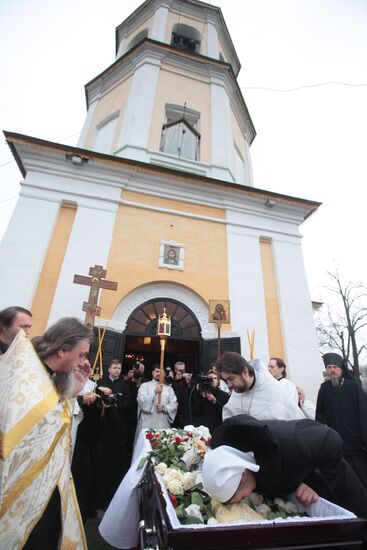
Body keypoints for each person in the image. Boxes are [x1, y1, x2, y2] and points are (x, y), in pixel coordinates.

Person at [0, 317, 93, 549]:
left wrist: (73, 393)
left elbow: (59, 429)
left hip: (49, 484)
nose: (84, 362)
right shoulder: (28, 376)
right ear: (62, 350)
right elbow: (36, 426)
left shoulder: (53, 376)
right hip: (22, 490)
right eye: (81, 354)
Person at [203, 414, 367, 518]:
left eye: (240, 497)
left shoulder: (292, 443)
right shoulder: (246, 458)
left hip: (336, 482)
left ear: (244, 474)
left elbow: (332, 439)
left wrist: (314, 485)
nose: (243, 499)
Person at [316, 351, 367, 490]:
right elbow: (320, 414)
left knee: (362, 479)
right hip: (336, 444)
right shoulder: (324, 388)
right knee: (344, 482)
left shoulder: (353, 386)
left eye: (335, 367)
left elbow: (363, 413)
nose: (332, 370)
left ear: (341, 369)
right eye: (329, 368)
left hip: (356, 444)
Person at [215, 352, 305, 421]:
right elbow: (229, 414)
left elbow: (292, 421)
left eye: (231, 378)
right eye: (226, 380)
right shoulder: (238, 389)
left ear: (245, 372)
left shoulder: (273, 390)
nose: (229, 385)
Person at [135, 365, 177, 438]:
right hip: (147, 423)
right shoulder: (144, 386)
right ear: (152, 372)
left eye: (161, 372)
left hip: (162, 423)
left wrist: (164, 408)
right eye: (157, 371)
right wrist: (154, 392)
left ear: (164, 374)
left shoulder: (169, 389)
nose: (159, 374)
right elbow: (141, 401)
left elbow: (174, 404)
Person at [191, 370, 229, 434]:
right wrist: (199, 394)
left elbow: (225, 412)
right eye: (210, 378)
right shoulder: (202, 393)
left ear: (218, 381)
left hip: (217, 428)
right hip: (203, 428)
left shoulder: (224, 395)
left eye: (215, 378)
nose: (213, 380)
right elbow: (197, 412)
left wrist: (215, 401)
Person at [172, 361, 190, 428]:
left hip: (186, 410)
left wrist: (188, 383)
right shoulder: (172, 380)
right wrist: (175, 381)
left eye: (183, 370)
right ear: (175, 370)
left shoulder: (186, 379)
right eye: (180, 370)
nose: (182, 372)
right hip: (176, 411)